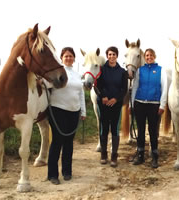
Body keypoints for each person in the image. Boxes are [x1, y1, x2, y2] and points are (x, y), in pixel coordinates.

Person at [47, 47, 86, 185]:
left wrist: (83, 111)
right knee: (57, 141)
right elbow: (47, 85)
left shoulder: (76, 75)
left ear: (74, 59)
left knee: (69, 142)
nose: (68, 58)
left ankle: (67, 171)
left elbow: (80, 93)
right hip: (58, 109)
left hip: (74, 111)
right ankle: (52, 174)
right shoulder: (57, 72)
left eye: (71, 56)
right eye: (66, 56)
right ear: (61, 58)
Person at [130, 48, 168, 168]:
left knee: (153, 131)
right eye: (147, 55)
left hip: (154, 104)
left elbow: (165, 88)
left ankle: (154, 156)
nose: (149, 57)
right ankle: (140, 154)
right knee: (140, 131)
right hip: (140, 103)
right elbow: (135, 87)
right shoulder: (140, 70)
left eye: (151, 55)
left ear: (154, 56)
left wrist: (162, 105)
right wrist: (132, 103)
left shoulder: (161, 70)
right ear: (144, 57)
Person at [95, 46, 128, 167]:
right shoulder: (101, 70)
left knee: (114, 129)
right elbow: (97, 85)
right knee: (104, 128)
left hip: (116, 104)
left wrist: (116, 99)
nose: (111, 57)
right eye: (109, 54)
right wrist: (103, 96)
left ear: (117, 56)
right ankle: (104, 153)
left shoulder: (122, 72)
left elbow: (124, 89)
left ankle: (114, 155)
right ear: (107, 56)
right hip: (103, 103)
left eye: (114, 54)